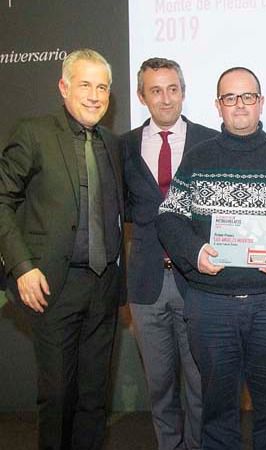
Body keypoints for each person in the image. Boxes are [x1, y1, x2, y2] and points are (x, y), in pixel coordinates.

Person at [156, 67, 266, 450]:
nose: (240, 105)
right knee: (217, 411)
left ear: (261, 102)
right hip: (211, 306)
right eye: (230, 98)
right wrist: (194, 253)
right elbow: (169, 216)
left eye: (248, 96)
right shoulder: (197, 159)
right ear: (217, 105)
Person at [0, 48, 124, 450]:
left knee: (93, 398)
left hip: (104, 287)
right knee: (57, 397)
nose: (94, 95)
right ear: (63, 87)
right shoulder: (33, 132)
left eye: (102, 87)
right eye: (85, 84)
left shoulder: (111, 143)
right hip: (52, 287)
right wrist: (21, 266)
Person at [121, 57, 217, 450]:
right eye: (156, 90)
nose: (166, 99)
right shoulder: (122, 146)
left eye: (173, 89)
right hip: (145, 285)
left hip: (197, 281)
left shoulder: (211, 141)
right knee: (160, 387)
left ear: (183, 92)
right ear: (141, 96)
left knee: (200, 384)